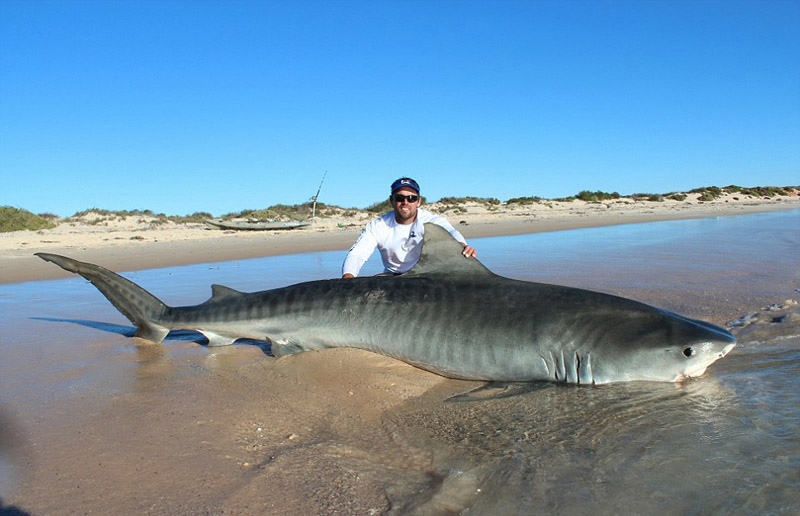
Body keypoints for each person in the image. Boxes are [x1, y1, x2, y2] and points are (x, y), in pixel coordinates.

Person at [342, 177, 477, 278]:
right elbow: (358, 254)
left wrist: (461, 245)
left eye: (411, 198)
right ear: (392, 200)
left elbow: (451, 231)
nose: (405, 202)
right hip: (392, 276)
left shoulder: (431, 221)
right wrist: (348, 277)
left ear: (418, 201)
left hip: (426, 275)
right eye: (400, 197)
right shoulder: (378, 225)